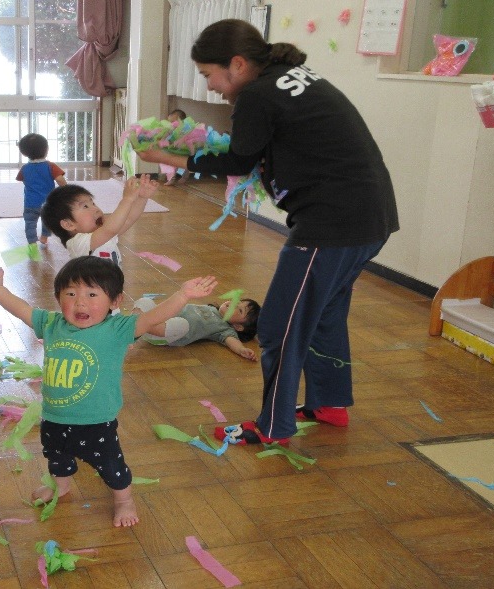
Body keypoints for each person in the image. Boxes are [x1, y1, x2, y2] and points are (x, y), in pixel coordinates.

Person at [137, 19, 399, 445]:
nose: (212, 88)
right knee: (325, 316)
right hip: (370, 217)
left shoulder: (257, 94)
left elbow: (239, 161)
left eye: (210, 75)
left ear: (237, 64)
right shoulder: (284, 79)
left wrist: (166, 155)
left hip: (332, 223)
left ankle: (273, 426)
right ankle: (329, 405)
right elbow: (258, 149)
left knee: (279, 324)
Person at [0, 256, 217, 526]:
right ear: (59, 298)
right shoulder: (52, 323)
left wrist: (182, 294)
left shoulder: (117, 329)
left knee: (110, 465)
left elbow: (154, 316)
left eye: (92, 294)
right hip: (54, 416)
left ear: (114, 302)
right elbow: (22, 309)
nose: (80, 302)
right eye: (70, 294)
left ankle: (123, 500)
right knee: (55, 456)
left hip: (96, 422)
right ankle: (61, 486)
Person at [40, 175, 157, 266]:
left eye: (93, 203)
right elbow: (110, 230)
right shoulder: (77, 243)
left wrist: (142, 198)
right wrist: (127, 199)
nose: (95, 209)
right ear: (69, 224)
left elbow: (128, 220)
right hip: (90, 296)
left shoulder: (103, 234)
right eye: (85, 206)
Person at [131, 296, 261, 360]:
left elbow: (233, 341)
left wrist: (242, 350)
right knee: (145, 301)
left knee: (182, 325)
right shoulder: (210, 308)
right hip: (158, 320)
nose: (233, 303)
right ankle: (132, 328)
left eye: (239, 309)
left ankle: (137, 327)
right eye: (237, 301)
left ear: (238, 327)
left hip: (163, 334)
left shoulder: (224, 329)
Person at [16, 133, 67, 247]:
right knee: (47, 220)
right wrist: (65, 191)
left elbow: (21, 179)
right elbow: (60, 180)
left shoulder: (25, 168)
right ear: (46, 149)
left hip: (30, 203)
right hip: (48, 203)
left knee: (30, 223)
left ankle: (32, 242)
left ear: (24, 152)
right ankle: (44, 237)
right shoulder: (50, 166)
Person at [160, 109, 191, 186]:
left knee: (185, 164)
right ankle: (171, 178)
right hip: (173, 149)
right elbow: (166, 134)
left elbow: (187, 137)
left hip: (183, 149)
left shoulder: (184, 128)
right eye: (170, 122)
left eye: (173, 122)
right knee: (172, 163)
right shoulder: (171, 129)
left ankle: (185, 176)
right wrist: (162, 140)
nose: (171, 124)